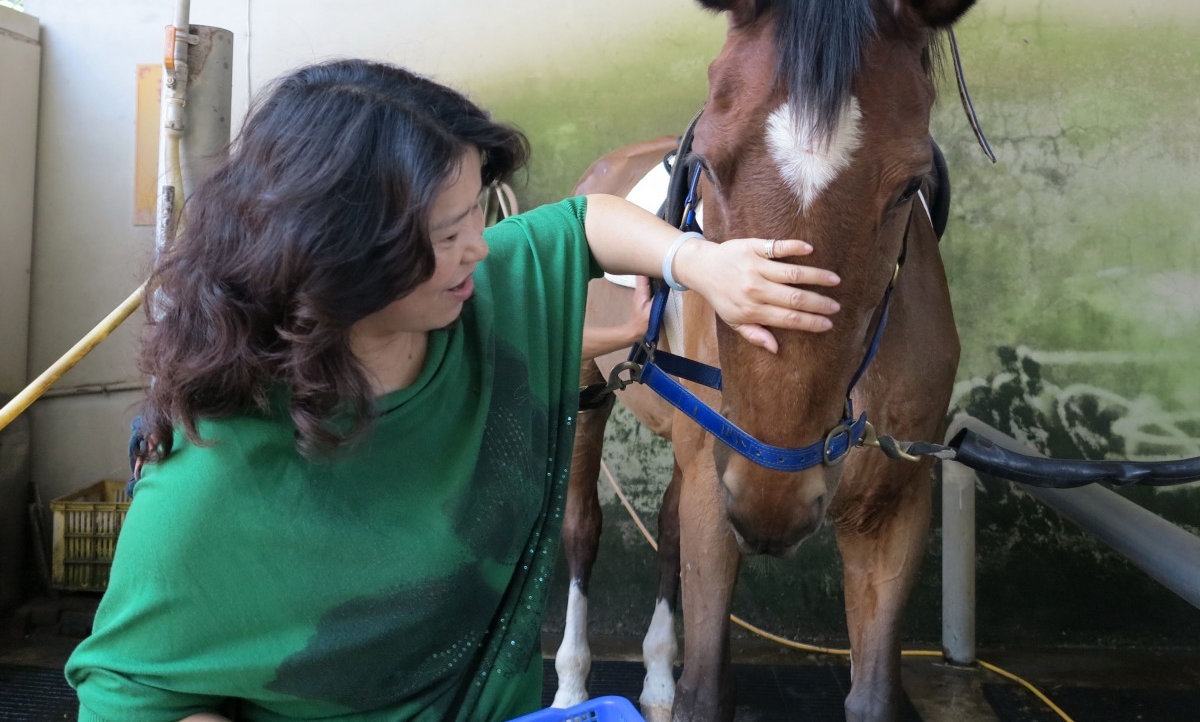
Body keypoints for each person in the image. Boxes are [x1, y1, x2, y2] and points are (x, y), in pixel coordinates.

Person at [65, 58, 840, 722]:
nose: (479, 244)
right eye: (446, 234)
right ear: (339, 257)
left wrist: (698, 264)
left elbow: (580, 224)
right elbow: (127, 693)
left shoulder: (468, 297)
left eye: (475, 212)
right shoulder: (206, 484)